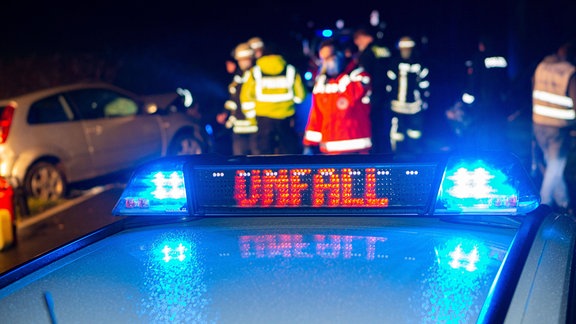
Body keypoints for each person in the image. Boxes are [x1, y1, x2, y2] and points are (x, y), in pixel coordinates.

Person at [302, 39, 372, 154]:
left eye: (329, 57)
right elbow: (316, 114)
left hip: (356, 150)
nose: (325, 62)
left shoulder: (358, 76)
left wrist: (338, 77)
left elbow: (352, 97)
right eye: (323, 59)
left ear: (341, 55)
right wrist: (309, 145)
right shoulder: (322, 82)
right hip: (329, 150)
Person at [239, 40, 307, 155]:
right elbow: (301, 97)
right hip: (286, 119)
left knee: (263, 156)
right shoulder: (290, 70)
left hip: (263, 119)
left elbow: (245, 98)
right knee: (288, 154)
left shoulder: (255, 72)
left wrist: (252, 119)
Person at [532, 39, 576, 214]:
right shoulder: (569, 73)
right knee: (555, 167)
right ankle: (543, 205)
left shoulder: (542, 67)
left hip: (539, 124)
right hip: (559, 129)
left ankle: (564, 203)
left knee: (552, 166)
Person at [386, 36, 430, 155]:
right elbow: (389, 82)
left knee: (414, 131)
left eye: (408, 49)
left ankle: (415, 152)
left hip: (414, 106)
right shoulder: (394, 63)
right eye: (403, 49)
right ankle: (397, 153)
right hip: (397, 105)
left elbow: (424, 83)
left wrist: (424, 100)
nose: (406, 52)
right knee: (397, 132)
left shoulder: (419, 64)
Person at [353, 27, 393, 154]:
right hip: (387, 94)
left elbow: (365, 77)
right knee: (385, 128)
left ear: (363, 37)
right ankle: (387, 153)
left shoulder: (367, 53)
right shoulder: (383, 49)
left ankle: (377, 155)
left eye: (358, 41)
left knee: (375, 127)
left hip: (374, 95)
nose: (357, 44)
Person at [217, 42, 258, 155]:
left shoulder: (256, 75)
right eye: (240, 60)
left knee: (257, 162)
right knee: (240, 162)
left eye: (245, 59)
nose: (242, 62)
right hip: (239, 127)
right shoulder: (238, 77)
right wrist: (224, 113)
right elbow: (233, 100)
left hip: (255, 127)